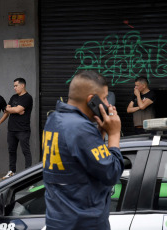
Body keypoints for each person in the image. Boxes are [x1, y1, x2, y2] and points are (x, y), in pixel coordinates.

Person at [42, 70, 124, 230]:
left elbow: (79, 164)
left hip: (58, 220)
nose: (108, 104)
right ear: (91, 100)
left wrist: (98, 136)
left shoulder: (53, 119)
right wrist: (114, 135)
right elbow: (112, 173)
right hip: (84, 222)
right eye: (105, 98)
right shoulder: (80, 128)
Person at [3, 78, 33, 179]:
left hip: (23, 130)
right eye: (14, 86)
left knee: (26, 151)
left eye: (16, 86)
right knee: (11, 150)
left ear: (22, 85)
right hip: (11, 129)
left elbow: (17, 109)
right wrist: (14, 110)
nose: (14, 88)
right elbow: (6, 109)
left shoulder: (27, 97)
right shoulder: (13, 97)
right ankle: (12, 171)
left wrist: (14, 110)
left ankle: (28, 172)